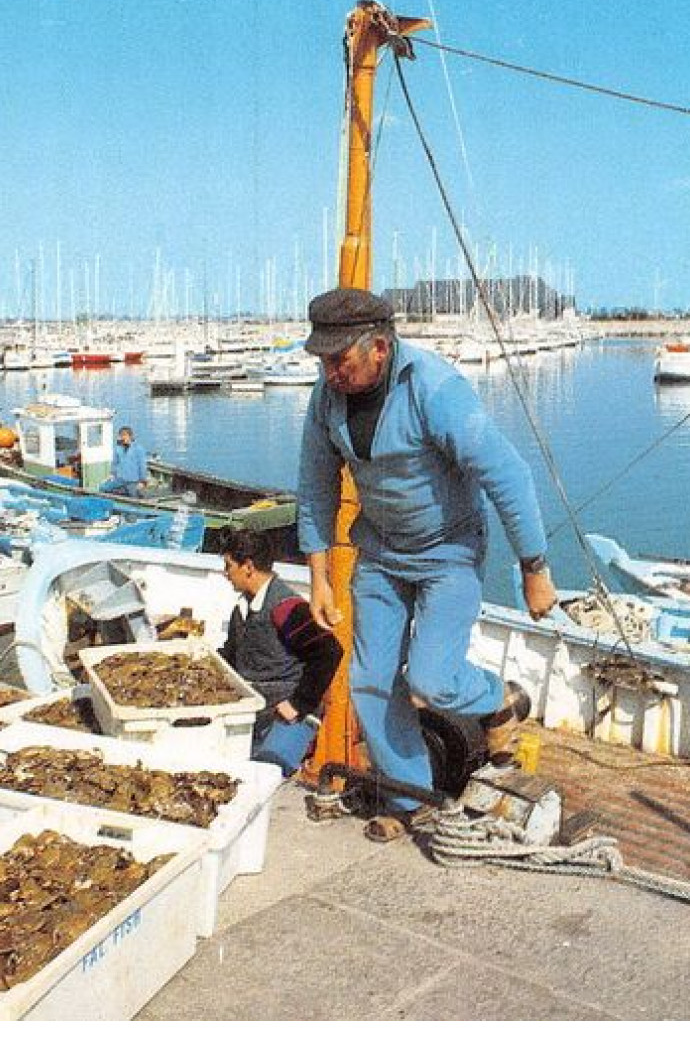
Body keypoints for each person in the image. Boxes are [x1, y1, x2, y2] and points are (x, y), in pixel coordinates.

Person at [296, 287, 558, 842]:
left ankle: (497, 700)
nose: (329, 372)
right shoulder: (326, 398)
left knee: (433, 680)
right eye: (322, 360)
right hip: (381, 554)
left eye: (338, 360)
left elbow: (507, 475)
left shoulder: (436, 389)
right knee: (370, 683)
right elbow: (315, 486)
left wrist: (534, 568)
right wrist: (319, 576)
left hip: (449, 551)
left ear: (381, 349)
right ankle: (408, 799)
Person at [218, 529, 343, 773]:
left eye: (228, 565)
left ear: (248, 567)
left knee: (265, 774)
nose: (225, 573)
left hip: (287, 713)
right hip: (254, 708)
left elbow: (329, 652)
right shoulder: (241, 609)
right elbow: (230, 657)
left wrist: (298, 704)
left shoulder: (287, 608)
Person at [100, 425, 149, 497]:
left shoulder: (138, 449)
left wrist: (142, 481)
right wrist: (112, 474)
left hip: (133, 480)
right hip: (120, 479)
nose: (123, 437)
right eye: (121, 435)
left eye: (125, 435)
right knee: (102, 488)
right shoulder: (118, 448)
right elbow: (115, 463)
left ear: (130, 436)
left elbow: (142, 466)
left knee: (134, 496)